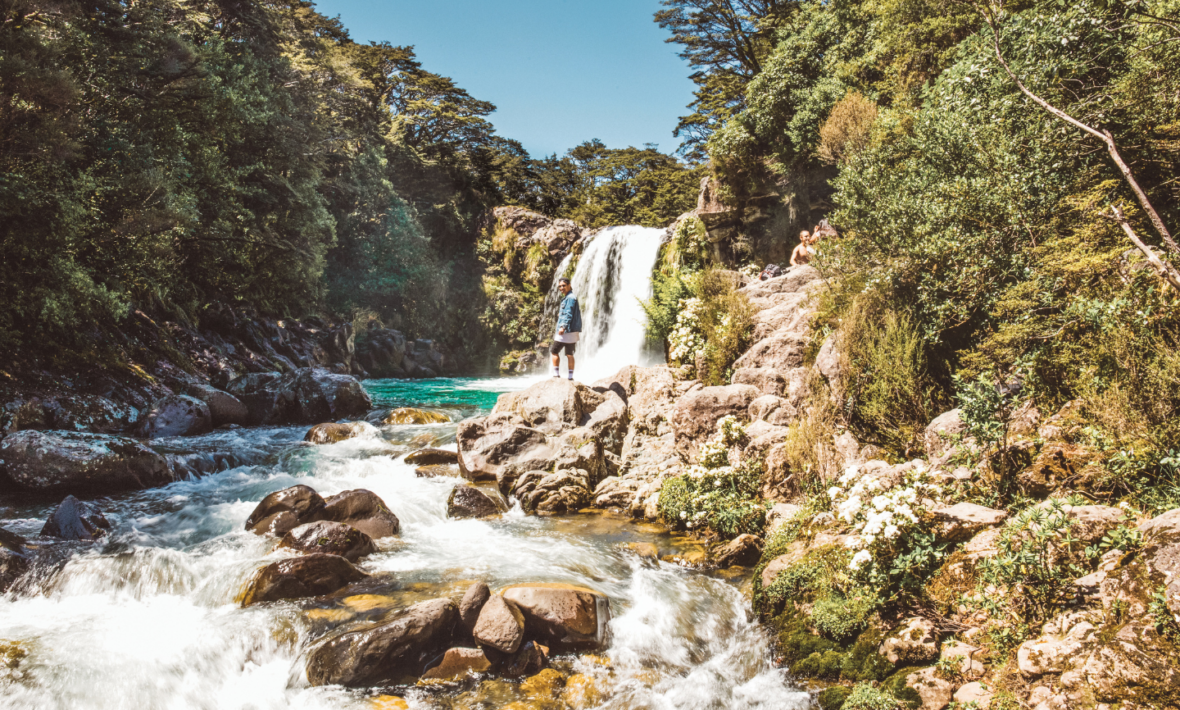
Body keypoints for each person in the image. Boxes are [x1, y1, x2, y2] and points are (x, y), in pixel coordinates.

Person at [551, 277, 582, 380]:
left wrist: (562, 327)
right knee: (569, 354)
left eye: (563, 285)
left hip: (566, 332)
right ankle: (570, 377)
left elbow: (568, 314)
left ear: (569, 285)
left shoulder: (570, 298)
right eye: (560, 286)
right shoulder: (571, 297)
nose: (561, 288)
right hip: (572, 332)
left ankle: (556, 374)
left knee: (554, 351)